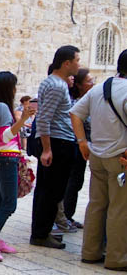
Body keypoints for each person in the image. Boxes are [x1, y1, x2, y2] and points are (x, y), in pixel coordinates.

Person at [70, 50, 127, 270]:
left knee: (96, 205)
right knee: (120, 208)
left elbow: (75, 114)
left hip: (96, 155)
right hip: (120, 157)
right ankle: (117, 258)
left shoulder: (101, 88)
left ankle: (90, 252)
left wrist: (82, 142)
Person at [0, 72, 35, 261]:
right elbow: (4, 136)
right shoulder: (2, 108)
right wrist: (22, 120)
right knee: (9, 203)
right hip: (5, 159)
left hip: (0, 158)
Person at [30, 45, 81, 249]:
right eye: (77, 60)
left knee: (49, 189)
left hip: (60, 141)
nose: (79, 64)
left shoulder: (54, 83)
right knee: (51, 190)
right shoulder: (56, 86)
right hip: (58, 143)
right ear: (66, 63)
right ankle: (41, 234)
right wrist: (47, 149)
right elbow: (44, 118)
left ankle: (42, 230)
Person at [58, 68, 94, 232]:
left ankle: (69, 215)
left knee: (76, 182)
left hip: (82, 145)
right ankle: (64, 216)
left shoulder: (87, 100)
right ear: (79, 85)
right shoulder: (76, 102)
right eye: (88, 80)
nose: (92, 83)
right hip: (75, 144)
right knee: (72, 182)